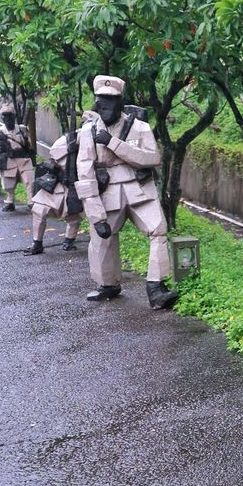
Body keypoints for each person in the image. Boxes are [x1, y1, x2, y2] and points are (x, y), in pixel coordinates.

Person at [75, 75, 178, 310]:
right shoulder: (88, 132)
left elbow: (152, 158)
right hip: (108, 192)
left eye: (111, 101)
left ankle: (156, 287)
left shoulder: (139, 127)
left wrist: (113, 143)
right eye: (101, 101)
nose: (106, 107)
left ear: (121, 102)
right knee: (102, 237)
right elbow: (85, 173)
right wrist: (95, 214)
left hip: (140, 189)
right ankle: (107, 284)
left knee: (158, 230)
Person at [23, 111, 97, 255]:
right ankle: (37, 243)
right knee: (39, 210)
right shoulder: (68, 139)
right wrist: (69, 153)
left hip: (79, 185)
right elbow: (54, 155)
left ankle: (69, 241)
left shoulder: (96, 143)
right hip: (59, 182)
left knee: (75, 215)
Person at [0, 103, 35, 211]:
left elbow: (29, 144)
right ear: (2, 118)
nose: (8, 118)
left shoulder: (22, 129)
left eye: (10, 115)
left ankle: (31, 202)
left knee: (30, 181)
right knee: (9, 184)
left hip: (24, 160)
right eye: (5, 116)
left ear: (14, 116)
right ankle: (9, 201)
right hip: (8, 161)